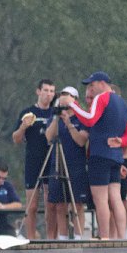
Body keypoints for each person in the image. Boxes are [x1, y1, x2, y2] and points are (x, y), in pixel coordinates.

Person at [58, 71, 127, 239]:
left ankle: (105, 237)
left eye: (92, 85)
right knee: (115, 197)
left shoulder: (102, 97)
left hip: (100, 154)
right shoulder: (122, 102)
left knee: (101, 200)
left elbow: (90, 119)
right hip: (115, 156)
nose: (90, 90)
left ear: (101, 83)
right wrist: (121, 142)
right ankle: (122, 237)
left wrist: (73, 105)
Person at [12, 79, 56, 238]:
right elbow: (16, 139)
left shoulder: (54, 112)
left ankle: (52, 238)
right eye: (46, 90)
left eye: (52, 91)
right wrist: (24, 126)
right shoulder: (28, 112)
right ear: (38, 91)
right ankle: (30, 238)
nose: (49, 94)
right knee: (31, 205)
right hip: (33, 160)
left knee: (50, 203)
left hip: (52, 161)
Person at [43, 86, 89, 239]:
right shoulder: (54, 117)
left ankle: (78, 236)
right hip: (58, 163)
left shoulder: (81, 118)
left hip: (76, 164)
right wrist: (57, 118)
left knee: (78, 203)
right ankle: (62, 237)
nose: (65, 108)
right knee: (60, 204)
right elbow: (49, 137)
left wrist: (69, 123)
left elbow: (81, 141)